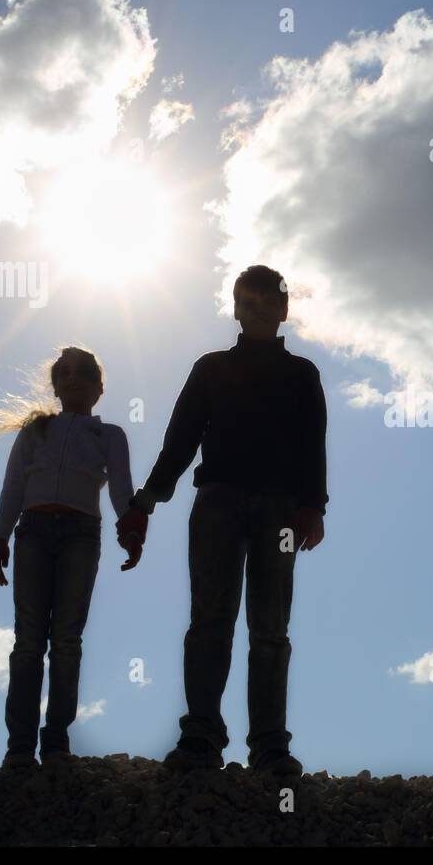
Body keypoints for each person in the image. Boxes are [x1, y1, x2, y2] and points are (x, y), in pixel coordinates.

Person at [117, 265, 327, 777]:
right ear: (235, 309)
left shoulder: (302, 374)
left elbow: (311, 445)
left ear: (283, 310)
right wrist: (145, 502)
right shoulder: (210, 368)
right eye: (246, 303)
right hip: (218, 502)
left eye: (265, 303)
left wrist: (313, 506)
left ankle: (270, 746)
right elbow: (180, 442)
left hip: (280, 506)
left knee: (270, 626)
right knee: (211, 619)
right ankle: (201, 738)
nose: (255, 311)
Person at [0, 346, 141, 769]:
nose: (73, 379)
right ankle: (19, 747)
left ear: (99, 387)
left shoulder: (109, 436)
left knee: (66, 640)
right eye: (65, 373)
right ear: (54, 384)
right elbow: (13, 486)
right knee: (28, 641)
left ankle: (56, 741)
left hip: (81, 536)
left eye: (83, 373)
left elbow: (122, 489)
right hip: (32, 532)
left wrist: (132, 530)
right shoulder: (34, 432)